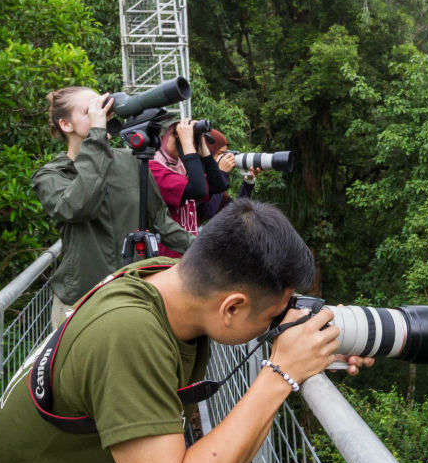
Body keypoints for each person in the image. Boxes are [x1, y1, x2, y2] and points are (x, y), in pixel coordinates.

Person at [0, 199, 374, 463]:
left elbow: (249, 328)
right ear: (232, 307)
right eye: (268, 318)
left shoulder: (163, 279)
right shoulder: (128, 335)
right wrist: (281, 374)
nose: (271, 326)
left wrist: (307, 348)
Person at [33, 87, 195, 329]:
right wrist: (97, 134)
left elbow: (161, 221)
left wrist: (207, 250)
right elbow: (78, 207)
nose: (101, 114)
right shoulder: (53, 175)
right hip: (80, 300)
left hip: (130, 294)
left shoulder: (132, 162)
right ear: (66, 125)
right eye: (90, 111)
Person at [147, 119, 229, 256]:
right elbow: (198, 190)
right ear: (162, 138)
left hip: (187, 254)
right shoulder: (153, 168)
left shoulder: (183, 167)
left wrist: (200, 143)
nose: (183, 139)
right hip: (167, 258)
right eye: (175, 134)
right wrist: (187, 145)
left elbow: (218, 185)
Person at [197, 129, 261, 224]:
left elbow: (236, 212)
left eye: (225, 154)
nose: (224, 159)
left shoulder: (212, 181)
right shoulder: (194, 178)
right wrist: (220, 173)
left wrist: (248, 182)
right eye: (220, 154)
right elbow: (207, 211)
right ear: (206, 154)